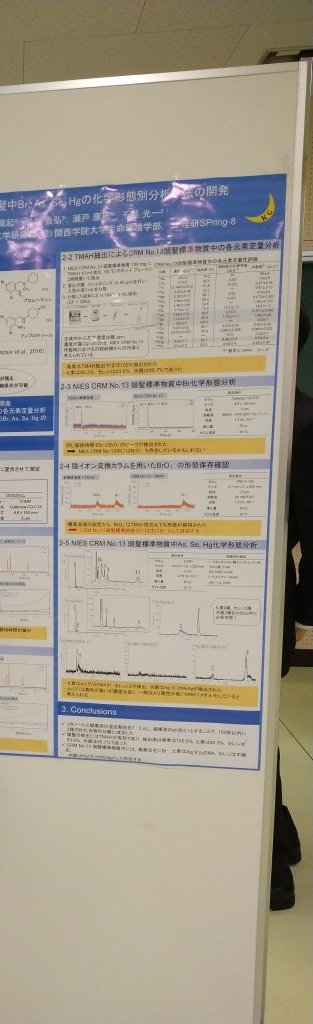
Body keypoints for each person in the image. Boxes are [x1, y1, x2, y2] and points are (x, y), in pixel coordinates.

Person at [270, 303, 313, 910]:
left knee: (257, 730)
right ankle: (282, 834)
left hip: (264, 602)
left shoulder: (303, 420)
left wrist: (304, 615)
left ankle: (275, 867)